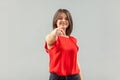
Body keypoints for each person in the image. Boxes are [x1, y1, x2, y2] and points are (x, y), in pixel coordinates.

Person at [44, 8, 82, 80]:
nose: (64, 20)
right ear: (56, 21)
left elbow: (76, 63)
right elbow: (49, 39)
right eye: (60, 18)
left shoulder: (73, 40)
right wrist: (56, 31)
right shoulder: (53, 38)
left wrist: (80, 78)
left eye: (66, 19)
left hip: (74, 77)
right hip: (58, 77)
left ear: (69, 22)